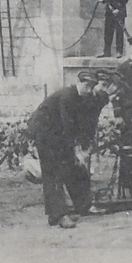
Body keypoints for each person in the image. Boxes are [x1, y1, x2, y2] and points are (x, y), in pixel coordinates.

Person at [26, 70, 106, 228]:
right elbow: (68, 125)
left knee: (74, 167)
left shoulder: (83, 97)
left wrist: (84, 147)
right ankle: (57, 215)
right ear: (79, 83)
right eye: (86, 86)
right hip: (45, 133)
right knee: (53, 173)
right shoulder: (67, 96)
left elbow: (82, 124)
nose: (89, 90)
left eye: (92, 87)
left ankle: (84, 205)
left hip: (59, 134)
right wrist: (76, 150)